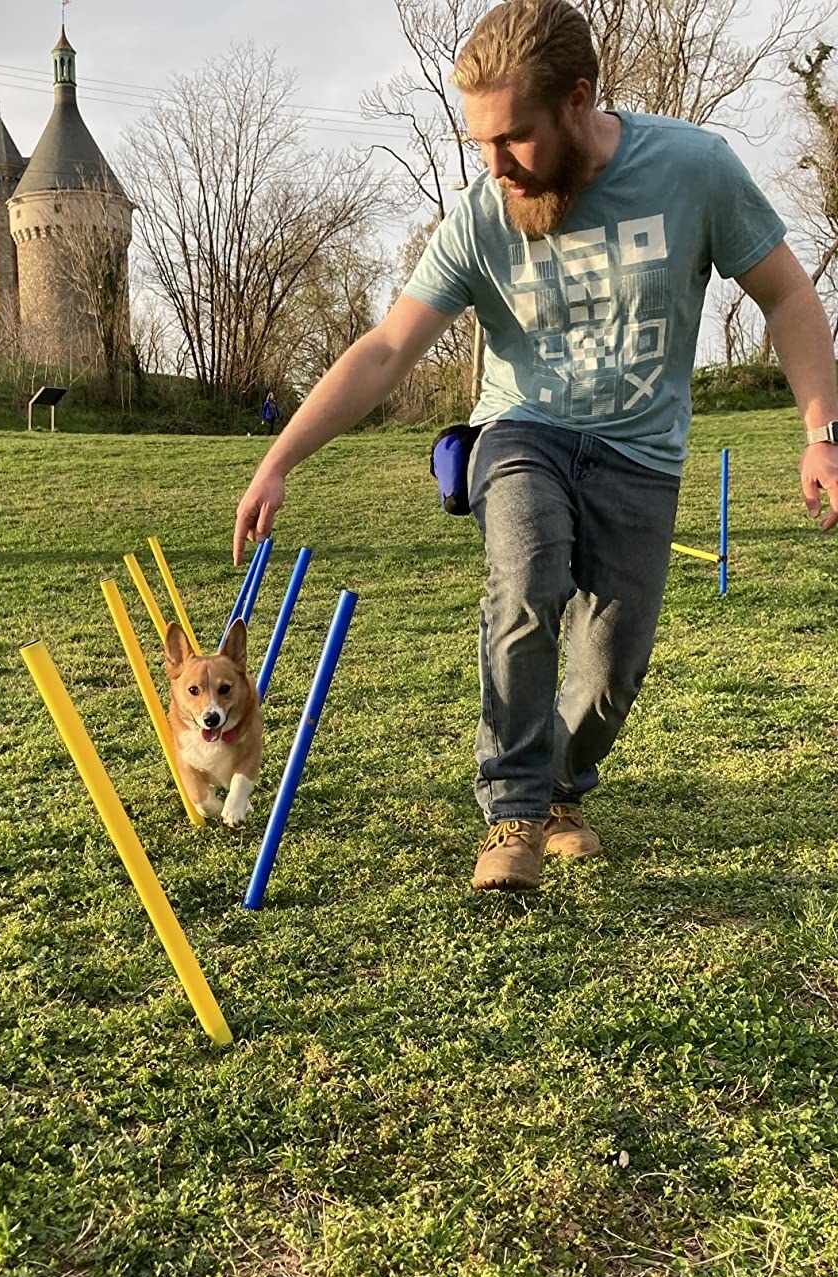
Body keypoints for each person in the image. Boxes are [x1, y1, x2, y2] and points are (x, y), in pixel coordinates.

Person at [232, 0, 838, 893]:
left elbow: (786, 296)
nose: (495, 164)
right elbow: (389, 347)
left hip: (642, 453)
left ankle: (560, 791)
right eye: (479, 141)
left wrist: (821, 431)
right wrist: (279, 459)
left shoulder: (693, 169)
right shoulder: (483, 215)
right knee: (526, 574)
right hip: (523, 431)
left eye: (513, 137)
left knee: (611, 667)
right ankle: (512, 809)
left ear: (579, 100)